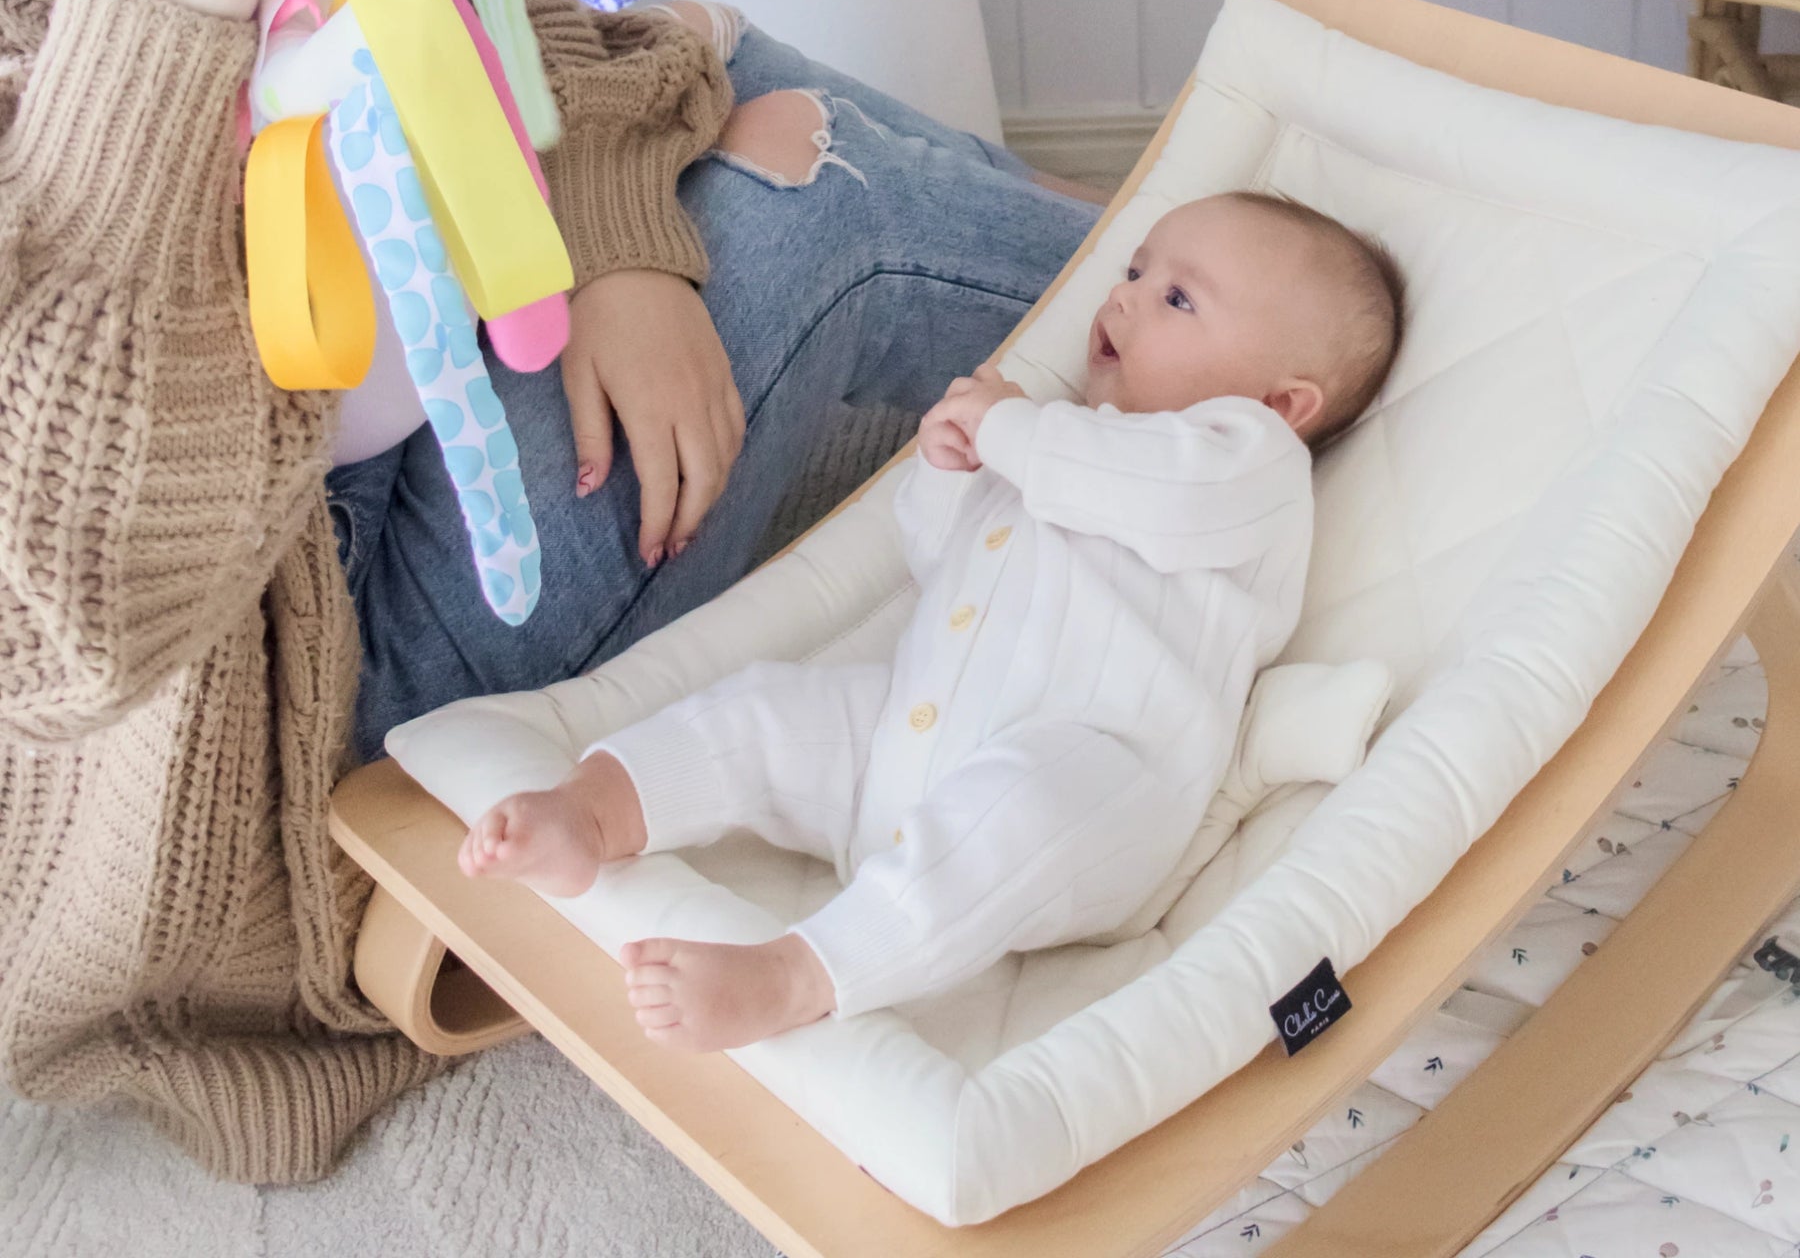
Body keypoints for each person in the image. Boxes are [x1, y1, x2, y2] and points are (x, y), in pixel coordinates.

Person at [0, 0, 1099, 1180]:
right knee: (838, 217)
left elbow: (568, 11)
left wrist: (617, 241)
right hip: (256, 706)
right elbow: (54, 618)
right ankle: (1248, 331)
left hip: (410, 433)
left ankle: (1212, 286)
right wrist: (158, 1)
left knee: (765, 93)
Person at [459, 193, 1406, 1051]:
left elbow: (1159, 492)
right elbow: (943, 561)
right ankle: (593, 810)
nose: (1124, 300)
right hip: (907, 730)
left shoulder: (1247, 464)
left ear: (1284, 403)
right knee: (760, 710)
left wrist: (1012, 435)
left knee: (1005, 820)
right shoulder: (1055, 431)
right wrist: (952, 472)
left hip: (1095, 778)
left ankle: (800, 973)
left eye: (1178, 300)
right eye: (1133, 272)